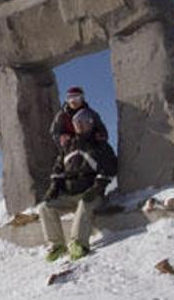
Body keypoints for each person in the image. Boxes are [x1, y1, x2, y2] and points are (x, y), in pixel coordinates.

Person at [39, 108, 118, 262]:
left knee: (84, 203)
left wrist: (96, 188)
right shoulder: (68, 146)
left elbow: (109, 169)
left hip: (91, 193)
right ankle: (57, 245)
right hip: (69, 194)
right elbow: (58, 169)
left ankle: (78, 243)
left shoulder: (100, 145)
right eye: (76, 123)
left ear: (90, 123)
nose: (80, 126)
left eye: (83, 122)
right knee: (45, 207)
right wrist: (54, 188)